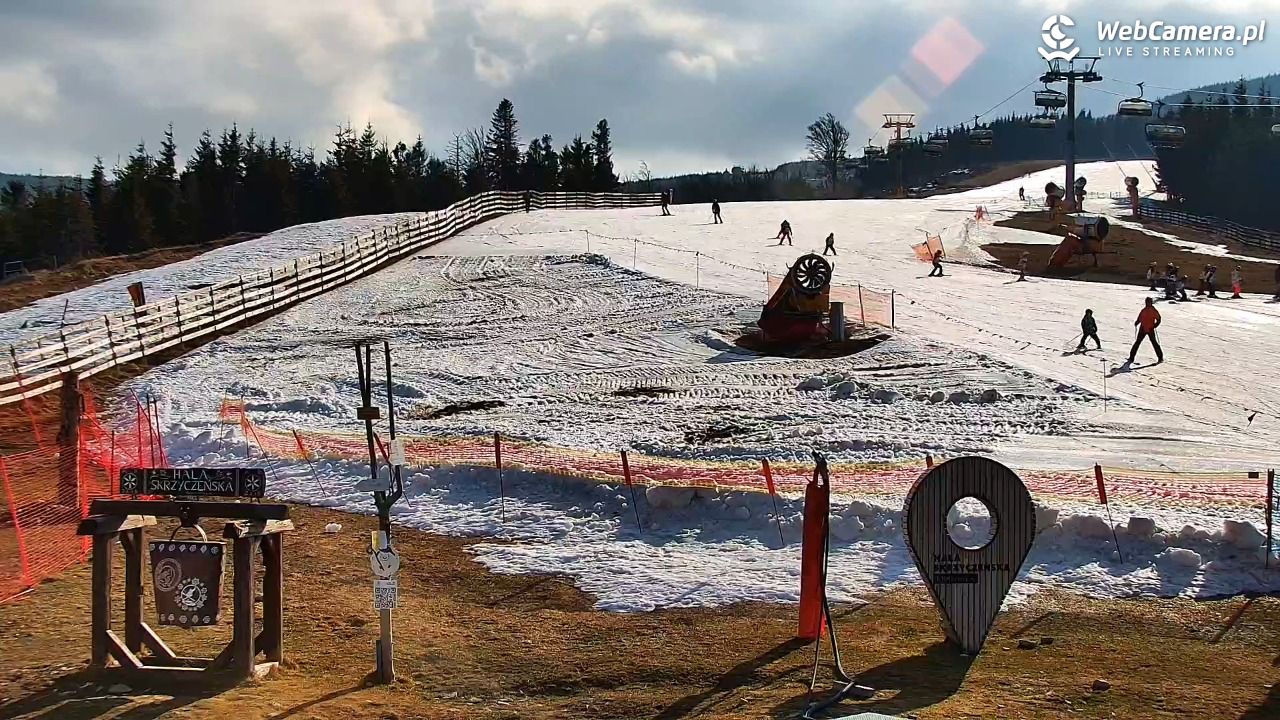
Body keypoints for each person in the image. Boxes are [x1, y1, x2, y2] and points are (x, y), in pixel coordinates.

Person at [1128, 297, 1164, 365]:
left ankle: (1160, 357)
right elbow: (1140, 318)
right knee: (1138, 342)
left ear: (1151, 302)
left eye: (1148, 302)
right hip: (1143, 328)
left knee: (1154, 343)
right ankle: (1131, 357)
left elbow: (1159, 319)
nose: (1147, 303)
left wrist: (1155, 326)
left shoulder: (1153, 310)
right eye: (1146, 302)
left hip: (1150, 329)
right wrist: (1137, 322)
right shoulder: (1144, 310)